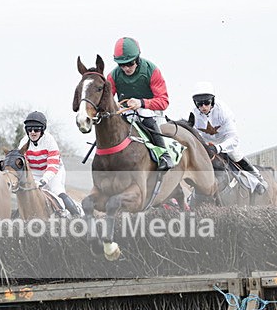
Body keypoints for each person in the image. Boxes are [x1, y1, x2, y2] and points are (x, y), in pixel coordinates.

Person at [106, 37, 173, 170]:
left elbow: (164, 101)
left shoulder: (152, 70)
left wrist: (141, 103)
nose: (126, 68)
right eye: (121, 65)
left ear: (137, 58)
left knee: (143, 112)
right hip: (126, 111)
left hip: (151, 111)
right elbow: (107, 99)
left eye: (130, 63)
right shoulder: (112, 76)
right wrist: (114, 105)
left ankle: (164, 155)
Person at [189, 81, 267, 194]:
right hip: (206, 143)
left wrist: (218, 148)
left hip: (225, 140)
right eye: (199, 104)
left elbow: (234, 139)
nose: (203, 107)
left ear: (212, 100)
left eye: (206, 102)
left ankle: (259, 179)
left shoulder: (223, 111)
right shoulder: (192, 113)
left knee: (235, 155)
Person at [17, 111, 81, 216]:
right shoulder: (23, 142)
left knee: (57, 191)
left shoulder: (50, 140)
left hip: (54, 172)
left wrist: (44, 180)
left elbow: (53, 165)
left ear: (42, 130)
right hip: (35, 173)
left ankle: (76, 216)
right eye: (29, 129)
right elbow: (22, 166)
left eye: (36, 129)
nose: (32, 132)